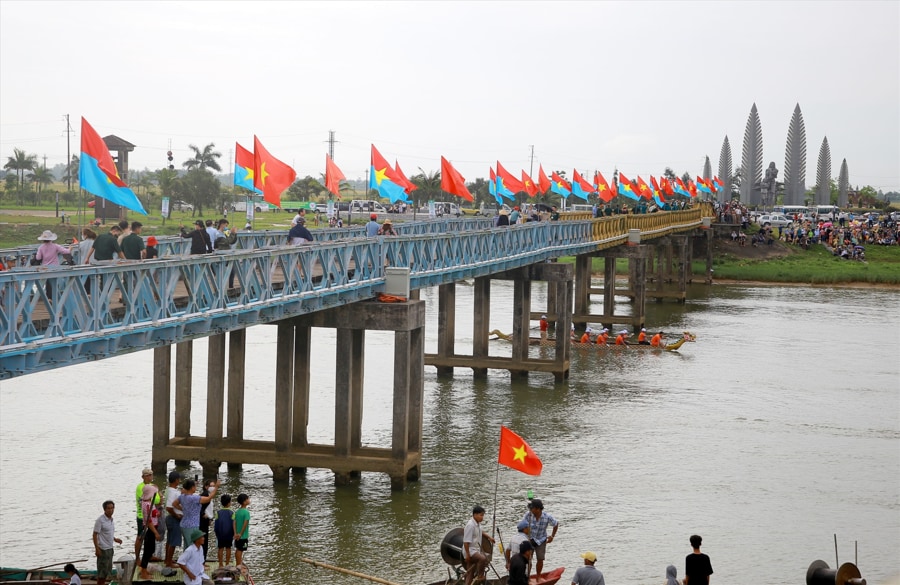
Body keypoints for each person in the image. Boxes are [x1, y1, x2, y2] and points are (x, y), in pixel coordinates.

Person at [174, 477, 220, 547]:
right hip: (192, 525)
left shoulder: (182, 496)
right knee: (192, 546)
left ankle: (186, 558)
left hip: (183, 524)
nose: (196, 487)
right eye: (195, 486)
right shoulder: (194, 498)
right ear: (192, 487)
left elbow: (174, 504)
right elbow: (209, 498)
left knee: (187, 546)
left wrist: (184, 509)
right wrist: (216, 487)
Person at [522, 498, 558, 576]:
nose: (530, 510)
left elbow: (556, 524)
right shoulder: (528, 515)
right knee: (528, 559)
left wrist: (552, 536)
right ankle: (527, 576)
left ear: (538, 509)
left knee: (540, 559)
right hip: (530, 539)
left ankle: (538, 576)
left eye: (532, 508)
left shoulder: (547, 516)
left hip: (541, 540)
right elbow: (522, 526)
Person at [92, 500, 122, 585]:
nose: (111, 510)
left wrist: (115, 539)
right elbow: (95, 535)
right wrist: (97, 549)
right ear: (104, 509)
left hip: (110, 549)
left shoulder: (111, 520)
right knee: (102, 574)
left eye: (112, 508)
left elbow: (107, 533)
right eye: (108, 508)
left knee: (106, 572)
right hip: (103, 550)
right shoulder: (100, 520)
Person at [463, 505, 493, 585]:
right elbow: (466, 542)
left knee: (470, 573)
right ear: (475, 515)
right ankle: (480, 576)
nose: (482, 517)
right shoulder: (470, 525)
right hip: (470, 550)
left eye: (483, 515)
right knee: (482, 558)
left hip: (475, 550)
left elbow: (481, 532)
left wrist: (489, 537)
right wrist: (468, 555)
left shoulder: (477, 524)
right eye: (481, 515)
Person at [34, 230, 69, 299]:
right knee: (55, 281)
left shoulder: (41, 247)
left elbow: (38, 258)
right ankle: (55, 296)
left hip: (45, 267)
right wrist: (70, 248)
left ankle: (49, 297)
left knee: (48, 283)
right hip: (55, 267)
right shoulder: (55, 246)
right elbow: (65, 251)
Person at [138, 484, 163, 580]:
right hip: (150, 529)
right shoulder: (146, 504)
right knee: (148, 550)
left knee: (151, 549)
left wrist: (157, 513)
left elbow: (152, 513)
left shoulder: (149, 503)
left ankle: (144, 568)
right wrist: (156, 533)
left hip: (153, 527)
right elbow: (148, 520)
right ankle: (143, 571)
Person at [164, 471, 183, 568]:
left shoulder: (168, 490)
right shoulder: (172, 491)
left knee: (169, 540)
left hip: (169, 518)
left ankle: (167, 559)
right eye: (179, 479)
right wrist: (176, 516)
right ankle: (169, 562)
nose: (179, 481)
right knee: (173, 541)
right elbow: (169, 507)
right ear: (176, 480)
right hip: (173, 518)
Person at [214, 494, 235, 567]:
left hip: (220, 534)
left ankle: (220, 564)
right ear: (229, 503)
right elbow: (233, 524)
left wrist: (216, 533)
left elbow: (216, 524)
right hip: (229, 534)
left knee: (220, 548)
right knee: (228, 548)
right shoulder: (232, 513)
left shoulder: (218, 512)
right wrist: (234, 533)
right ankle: (227, 563)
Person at [233, 493, 251, 568]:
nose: (249, 500)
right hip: (242, 535)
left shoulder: (237, 512)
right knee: (240, 550)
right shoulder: (246, 512)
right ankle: (238, 565)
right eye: (247, 499)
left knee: (238, 549)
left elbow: (234, 522)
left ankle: (238, 562)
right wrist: (240, 534)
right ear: (244, 502)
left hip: (237, 534)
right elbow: (245, 524)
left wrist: (235, 533)